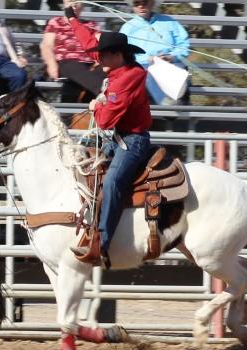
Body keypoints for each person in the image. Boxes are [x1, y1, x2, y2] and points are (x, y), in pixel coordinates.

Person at [65, 12, 153, 265]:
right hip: (116, 138)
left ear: (118, 55)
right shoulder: (116, 66)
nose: (97, 57)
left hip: (132, 141)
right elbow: (87, 41)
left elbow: (105, 121)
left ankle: (102, 242)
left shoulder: (128, 79)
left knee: (113, 182)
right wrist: (71, 18)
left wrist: (96, 106)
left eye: (102, 54)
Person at [119, 0, 190, 104]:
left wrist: (171, 56)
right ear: (133, 6)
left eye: (144, 2)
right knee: (147, 72)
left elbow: (184, 44)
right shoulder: (127, 28)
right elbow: (124, 53)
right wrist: (148, 59)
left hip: (171, 62)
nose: (140, 6)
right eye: (136, 3)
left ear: (152, 3)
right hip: (144, 65)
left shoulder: (169, 22)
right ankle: (168, 103)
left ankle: (173, 102)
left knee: (175, 69)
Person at [40, 0, 106, 102]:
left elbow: (100, 45)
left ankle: (88, 107)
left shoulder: (91, 24)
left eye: (77, 1)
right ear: (64, 3)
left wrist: (99, 60)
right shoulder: (56, 22)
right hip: (65, 62)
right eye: (71, 1)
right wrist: (51, 63)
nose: (74, 4)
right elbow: (47, 45)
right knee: (74, 67)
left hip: (90, 64)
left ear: (83, 6)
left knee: (104, 72)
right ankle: (106, 92)